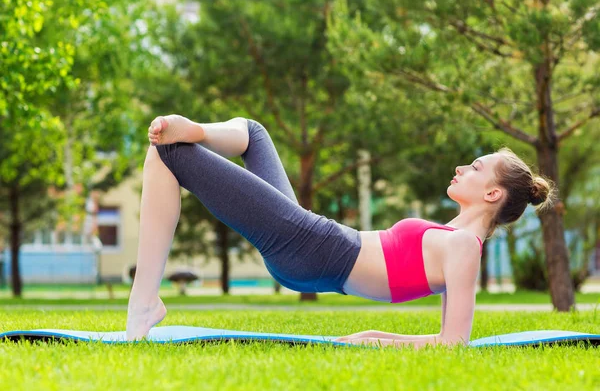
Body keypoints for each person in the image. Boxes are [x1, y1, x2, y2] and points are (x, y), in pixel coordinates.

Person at [126, 115, 553, 347]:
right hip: (313, 244)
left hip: (315, 247)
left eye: (476, 168)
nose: (462, 167)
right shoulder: (453, 236)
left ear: (494, 193)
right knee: (254, 134)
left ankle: (143, 301)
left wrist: (377, 339)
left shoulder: (462, 247)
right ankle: (198, 131)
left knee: (168, 153)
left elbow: (453, 342)